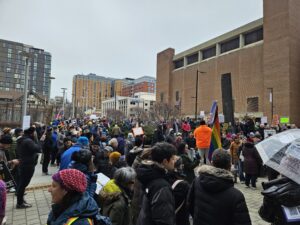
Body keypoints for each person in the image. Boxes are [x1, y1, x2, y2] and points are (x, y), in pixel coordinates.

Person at [188, 149, 251, 225]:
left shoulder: (197, 182)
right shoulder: (236, 196)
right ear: (230, 166)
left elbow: (189, 205)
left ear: (212, 163)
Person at [136, 142, 177, 225]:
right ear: (165, 161)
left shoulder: (147, 174)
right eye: (172, 159)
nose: (174, 161)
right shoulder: (162, 186)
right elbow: (164, 219)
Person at [16, 127, 41, 209]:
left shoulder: (23, 139)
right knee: (23, 184)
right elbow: (38, 149)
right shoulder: (28, 141)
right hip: (27, 165)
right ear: (32, 133)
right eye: (35, 133)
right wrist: (40, 140)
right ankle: (20, 203)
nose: (35, 134)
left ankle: (21, 200)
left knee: (22, 184)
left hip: (24, 164)